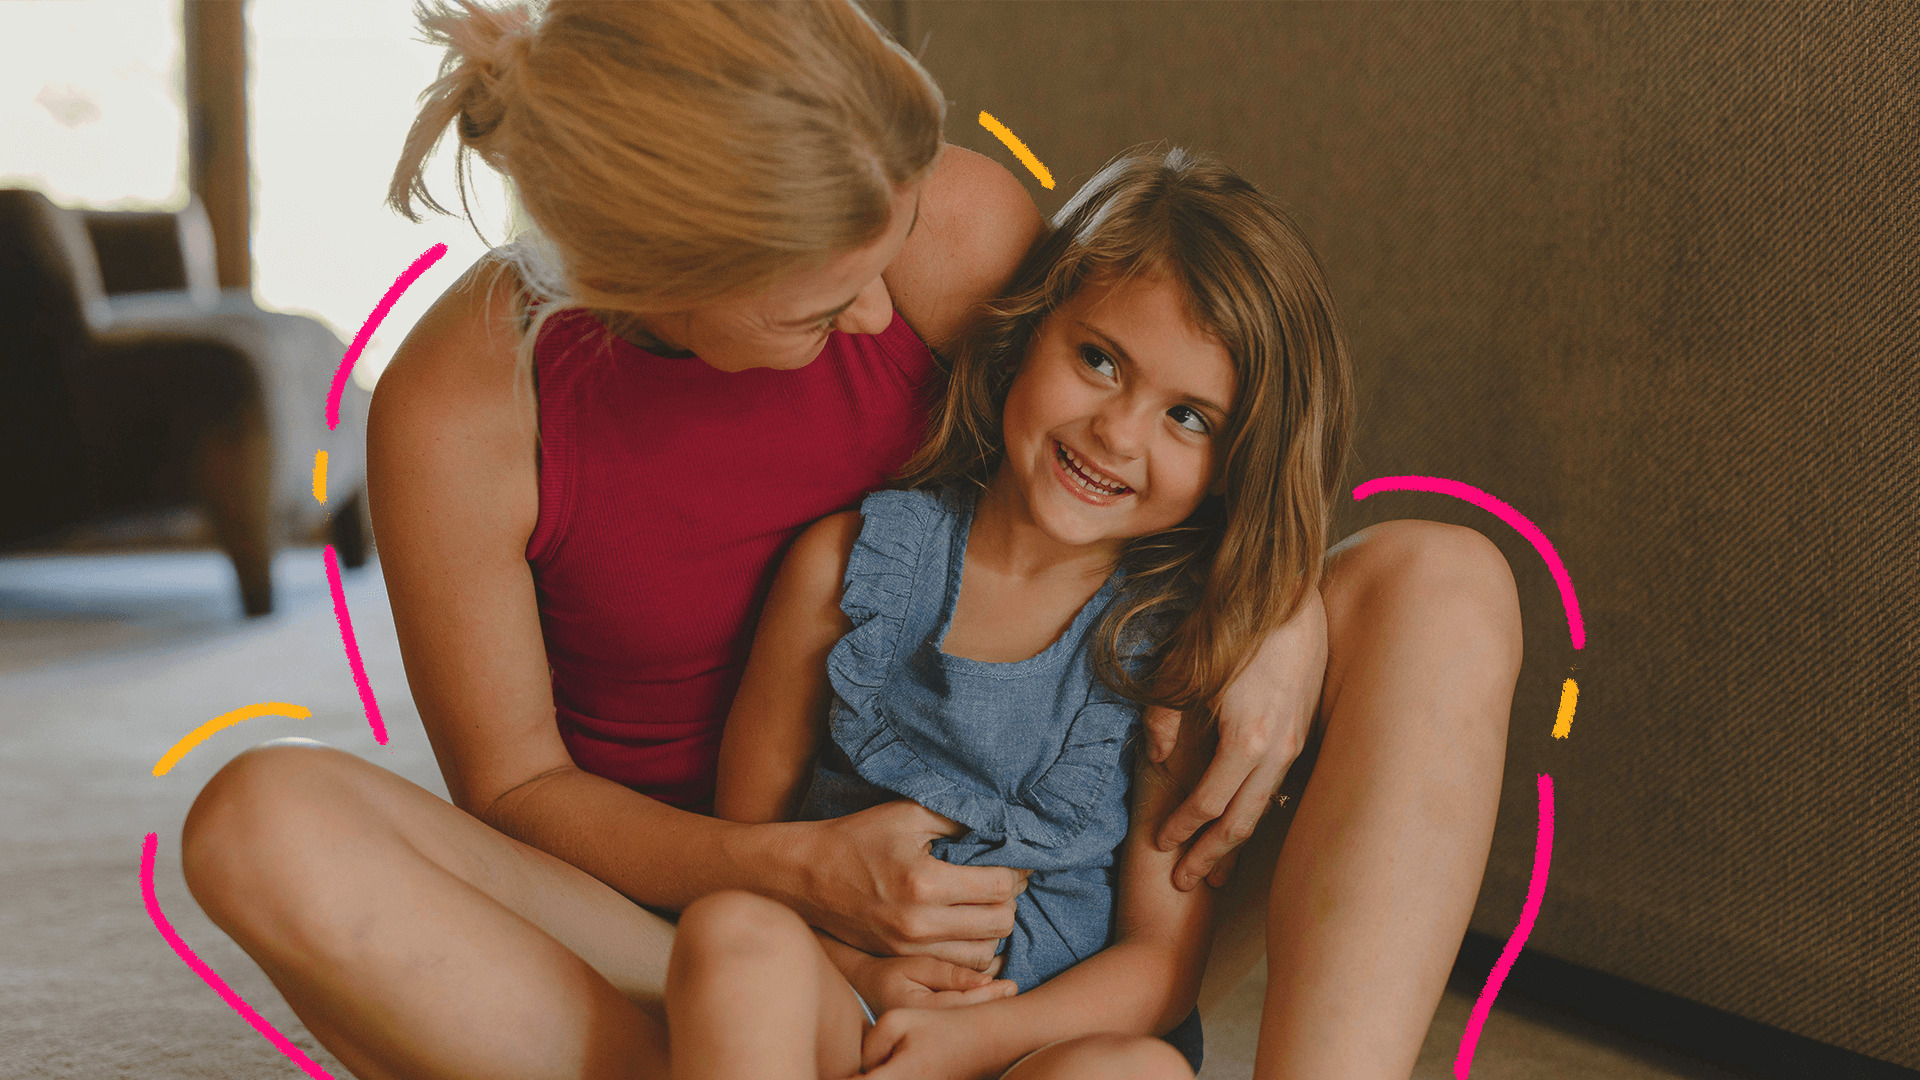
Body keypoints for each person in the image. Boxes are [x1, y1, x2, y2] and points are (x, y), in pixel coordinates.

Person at [180, 3, 1522, 1079]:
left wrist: (1269, 605)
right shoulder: (455, 411)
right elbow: (517, 798)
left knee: (1450, 579)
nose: (890, 317)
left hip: (1050, 927)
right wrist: (788, 877)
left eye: (893, 250)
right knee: (260, 818)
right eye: (828, 303)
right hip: (687, 926)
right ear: (659, 280)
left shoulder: (946, 221)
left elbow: (1166, 432)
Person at [672, 146, 1350, 1080]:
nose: (1118, 432)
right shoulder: (843, 569)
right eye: (1101, 360)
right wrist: (861, 969)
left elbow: (1160, 967)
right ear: (1028, 333)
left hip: (1034, 1047)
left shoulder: (1179, 649)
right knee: (730, 935)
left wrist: (973, 1039)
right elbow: (747, 856)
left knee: (1138, 1075)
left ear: (1238, 466)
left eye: (1188, 417)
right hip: (851, 1015)